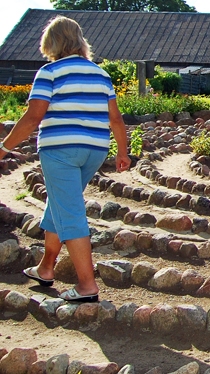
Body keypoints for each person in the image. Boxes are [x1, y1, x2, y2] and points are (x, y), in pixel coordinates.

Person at [5, 16, 130, 303]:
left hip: (60, 149)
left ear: (52, 42)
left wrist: (4, 147)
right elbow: (115, 118)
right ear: (79, 41)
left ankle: (87, 286)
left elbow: (33, 118)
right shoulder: (100, 74)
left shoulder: (50, 72)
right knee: (61, 202)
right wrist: (122, 152)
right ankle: (46, 268)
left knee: (70, 211)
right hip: (95, 150)